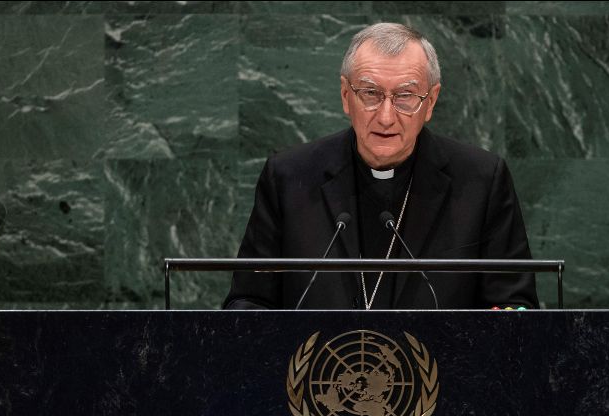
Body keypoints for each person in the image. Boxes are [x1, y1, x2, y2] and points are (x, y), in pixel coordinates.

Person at [223, 22, 538, 310]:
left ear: (430, 102)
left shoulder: (481, 181)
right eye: (370, 94)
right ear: (346, 96)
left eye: (405, 96)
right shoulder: (289, 178)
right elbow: (249, 300)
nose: (386, 116)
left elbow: (514, 305)